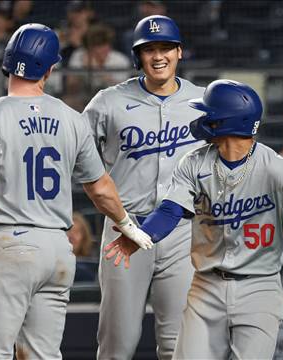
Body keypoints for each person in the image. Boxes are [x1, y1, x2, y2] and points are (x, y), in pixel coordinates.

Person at [104, 79, 283, 359]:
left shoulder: (276, 169)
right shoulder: (194, 162)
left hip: (259, 286)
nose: (202, 118)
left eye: (208, 113)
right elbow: (171, 211)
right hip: (206, 285)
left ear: (225, 122)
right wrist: (141, 235)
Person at [0, 23, 153, 359]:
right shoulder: (72, 119)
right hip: (57, 251)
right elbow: (101, 188)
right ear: (50, 68)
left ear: (7, 62)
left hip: (9, 247)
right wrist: (128, 224)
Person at [81, 15, 206, 360]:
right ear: (138, 57)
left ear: (180, 52)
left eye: (165, 47)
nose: (158, 56)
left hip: (182, 230)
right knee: (117, 343)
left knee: (178, 343)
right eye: (149, 49)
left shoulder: (204, 101)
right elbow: (75, 155)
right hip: (126, 227)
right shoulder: (108, 102)